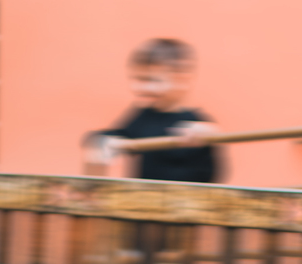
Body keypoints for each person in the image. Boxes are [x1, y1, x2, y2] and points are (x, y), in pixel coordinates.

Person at [86, 38, 220, 183]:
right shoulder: (143, 116)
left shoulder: (197, 122)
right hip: (145, 198)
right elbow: (119, 134)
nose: (141, 88)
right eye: (138, 79)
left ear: (182, 79)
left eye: (152, 80)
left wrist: (209, 135)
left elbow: (213, 168)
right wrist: (102, 140)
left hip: (185, 200)